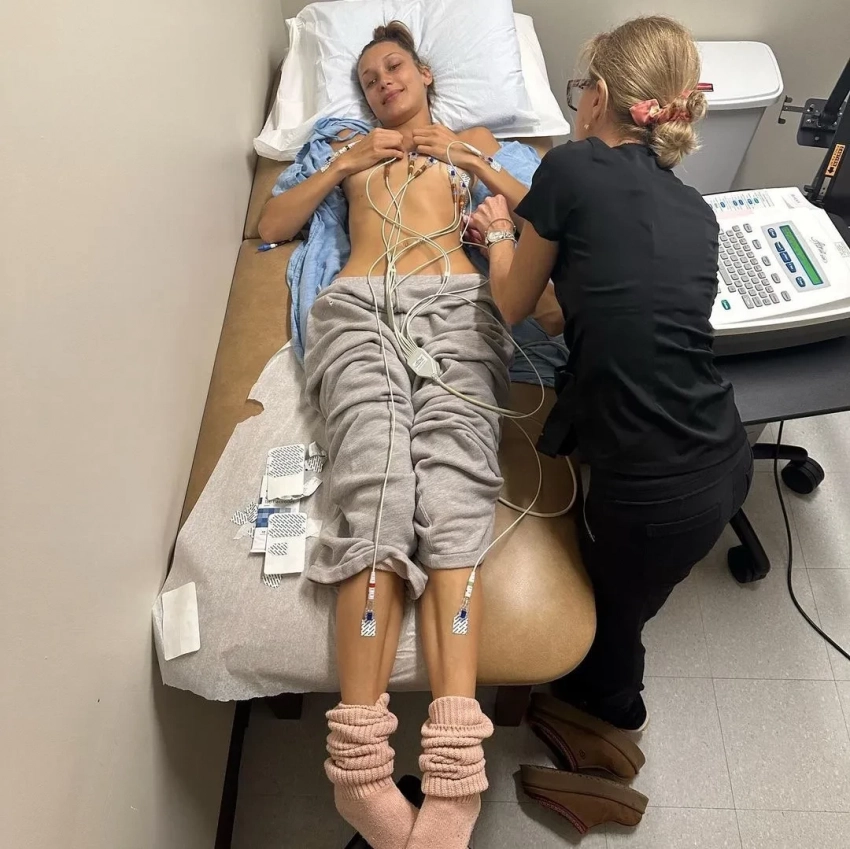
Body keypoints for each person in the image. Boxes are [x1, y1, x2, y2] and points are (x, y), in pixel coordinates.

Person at [259, 21, 541, 849]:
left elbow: (545, 219)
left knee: (456, 502)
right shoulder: (343, 149)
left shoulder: (477, 142)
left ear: (425, 74)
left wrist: (469, 162)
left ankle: (455, 768)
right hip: (358, 311)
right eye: (369, 76)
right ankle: (359, 771)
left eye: (395, 67)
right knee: (375, 497)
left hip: (457, 309)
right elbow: (270, 223)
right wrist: (343, 166)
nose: (382, 81)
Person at [470, 15, 753, 733]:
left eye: (578, 91)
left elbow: (512, 305)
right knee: (638, 597)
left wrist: (498, 237)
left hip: (653, 497)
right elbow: (565, 312)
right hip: (726, 455)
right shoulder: (694, 210)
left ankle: (609, 716)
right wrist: (507, 222)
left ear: (597, 95)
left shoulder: (570, 167)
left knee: (611, 625)